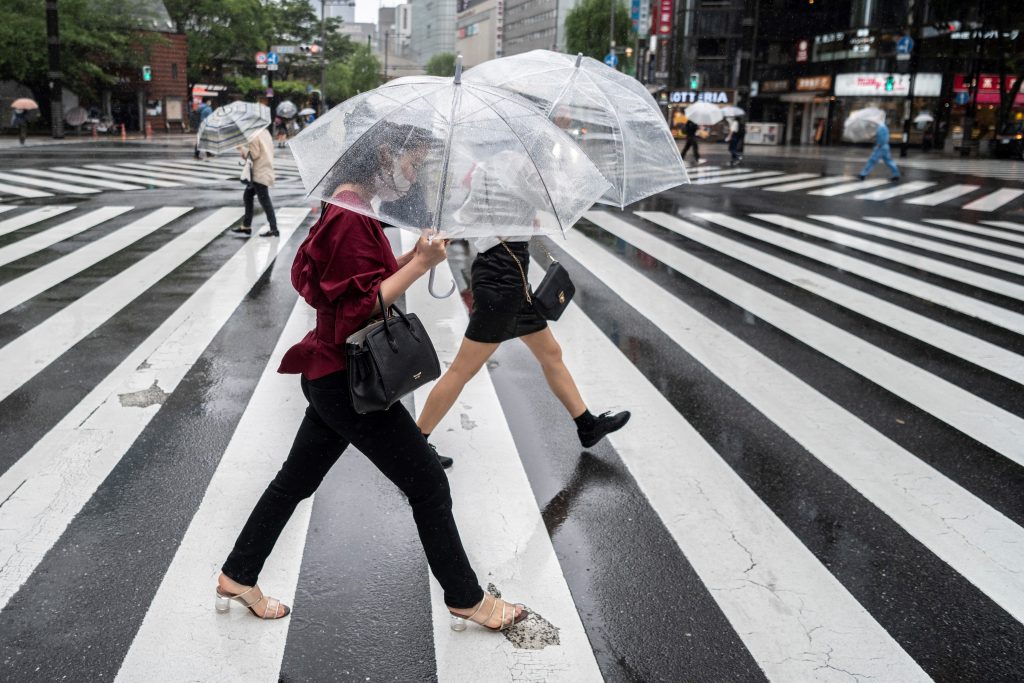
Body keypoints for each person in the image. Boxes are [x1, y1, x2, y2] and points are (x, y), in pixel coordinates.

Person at [217, 121, 529, 631]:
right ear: (384, 154)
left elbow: (356, 282)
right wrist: (420, 263)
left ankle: (238, 574)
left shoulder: (351, 207)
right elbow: (357, 310)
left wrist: (413, 258)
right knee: (428, 482)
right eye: (412, 162)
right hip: (348, 382)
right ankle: (467, 598)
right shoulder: (347, 215)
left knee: (294, 481)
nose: (414, 174)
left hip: (331, 376)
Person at [414, 153, 631, 470]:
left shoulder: (487, 167)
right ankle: (416, 445)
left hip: (500, 270)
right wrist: (556, 172)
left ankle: (587, 425)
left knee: (551, 353)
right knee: (463, 369)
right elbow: (551, 199)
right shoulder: (519, 164)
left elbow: (472, 212)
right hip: (505, 276)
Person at [230, 127, 279, 237]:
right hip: (265, 169)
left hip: (259, 174)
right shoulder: (266, 132)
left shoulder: (254, 136)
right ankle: (246, 226)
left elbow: (254, 154)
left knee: (265, 202)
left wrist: (241, 148)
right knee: (247, 196)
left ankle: (274, 229)